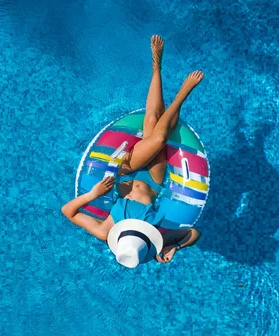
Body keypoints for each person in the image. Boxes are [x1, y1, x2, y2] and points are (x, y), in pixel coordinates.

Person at [62, 35, 202, 264]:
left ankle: (177, 90)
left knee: (156, 138)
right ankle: (163, 74)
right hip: (155, 180)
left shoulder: (106, 232)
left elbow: (68, 211)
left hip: (126, 171)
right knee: (152, 125)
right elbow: (194, 234)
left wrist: (93, 194)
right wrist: (175, 247)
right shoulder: (154, 242)